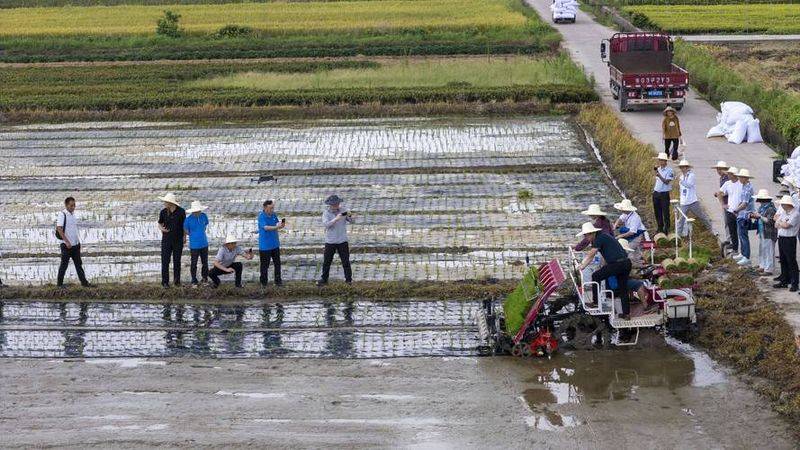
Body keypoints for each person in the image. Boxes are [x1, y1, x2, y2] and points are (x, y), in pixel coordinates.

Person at [577, 222, 632, 320]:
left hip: (617, 264)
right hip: (626, 263)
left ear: (592, 233)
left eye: (586, 235)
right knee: (623, 288)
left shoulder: (599, 238)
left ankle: (595, 302)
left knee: (595, 276)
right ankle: (626, 314)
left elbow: (591, 255)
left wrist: (582, 266)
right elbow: (608, 252)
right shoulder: (604, 236)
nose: (586, 238)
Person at [317, 195, 355, 286]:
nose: (337, 205)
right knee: (327, 261)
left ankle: (348, 280)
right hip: (330, 241)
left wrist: (351, 216)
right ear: (330, 205)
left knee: (345, 261)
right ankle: (324, 279)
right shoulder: (326, 213)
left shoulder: (343, 210)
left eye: (337, 203)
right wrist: (336, 219)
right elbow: (326, 225)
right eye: (334, 204)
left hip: (342, 240)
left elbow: (352, 221)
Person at [56, 196, 92, 288]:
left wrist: (78, 242)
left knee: (78, 265)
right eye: (71, 205)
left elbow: (73, 230)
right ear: (66, 205)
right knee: (64, 265)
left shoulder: (73, 215)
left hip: (75, 245)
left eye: (74, 205)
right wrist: (67, 242)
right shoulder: (62, 214)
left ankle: (84, 283)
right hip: (66, 246)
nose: (73, 207)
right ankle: (59, 285)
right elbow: (59, 229)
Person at [676, 159, 711, 237]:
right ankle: (678, 236)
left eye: (684, 167)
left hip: (692, 201)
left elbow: (689, 185)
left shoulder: (691, 175)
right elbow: (682, 190)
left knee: (702, 216)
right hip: (684, 202)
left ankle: (711, 230)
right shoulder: (681, 177)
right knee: (681, 220)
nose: (682, 169)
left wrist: (681, 181)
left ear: (687, 167)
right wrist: (681, 199)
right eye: (681, 167)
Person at [157, 193, 186, 288]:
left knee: (177, 261)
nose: (164, 203)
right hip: (166, 240)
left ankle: (177, 282)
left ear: (170, 203)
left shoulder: (181, 212)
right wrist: (162, 229)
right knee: (165, 261)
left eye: (165, 202)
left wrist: (185, 237)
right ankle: (165, 282)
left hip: (178, 240)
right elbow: (160, 223)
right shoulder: (163, 212)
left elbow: (184, 226)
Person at [774, 195, 800, 292]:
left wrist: (779, 221)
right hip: (782, 238)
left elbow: (786, 225)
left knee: (791, 261)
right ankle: (784, 280)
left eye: (783, 204)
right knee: (783, 260)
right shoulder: (784, 213)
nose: (782, 206)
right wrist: (780, 222)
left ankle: (795, 283)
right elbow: (776, 225)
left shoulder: (795, 214)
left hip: (790, 239)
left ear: (788, 204)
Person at [258, 200, 285, 287]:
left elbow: (276, 223)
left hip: (275, 244)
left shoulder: (273, 215)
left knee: (277, 264)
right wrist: (276, 227)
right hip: (265, 246)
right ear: (265, 208)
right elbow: (266, 227)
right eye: (270, 208)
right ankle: (263, 283)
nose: (272, 210)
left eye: (273, 208)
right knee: (265, 266)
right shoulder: (261, 216)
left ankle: (278, 282)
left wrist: (280, 225)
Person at [750, 189, 777, 276]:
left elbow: (770, 221)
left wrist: (759, 216)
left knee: (769, 251)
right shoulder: (762, 207)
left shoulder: (770, 209)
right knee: (762, 249)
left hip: (769, 232)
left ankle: (769, 269)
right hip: (762, 231)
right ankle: (763, 265)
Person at [184, 200, 210, 287]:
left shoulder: (204, 216)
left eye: (199, 211)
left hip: (204, 244)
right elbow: (186, 230)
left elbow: (205, 225)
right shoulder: (188, 220)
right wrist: (193, 235)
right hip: (194, 245)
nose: (197, 212)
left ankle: (205, 279)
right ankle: (194, 280)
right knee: (194, 263)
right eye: (196, 211)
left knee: (205, 262)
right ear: (192, 211)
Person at [716, 167, 741, 256]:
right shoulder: (727, 183)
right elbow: (719, 193)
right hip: (730, 211)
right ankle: (735, 249)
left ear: (734, 175)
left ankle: (743, 252)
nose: (728, 175)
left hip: (740, 212)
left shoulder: (741, 184)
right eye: (728, 173)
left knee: (741, 232)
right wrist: (723, 204)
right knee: (732, 231)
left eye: (730, 174)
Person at [733, 169, 755, 266]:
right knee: (741, 235)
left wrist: (736, 210)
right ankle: (742, 253)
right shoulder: (744, 186)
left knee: (743, 236)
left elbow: (745, 203)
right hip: (742, 214)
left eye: (740, 177)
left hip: (744, 215)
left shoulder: (747, 188)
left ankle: (746, 256)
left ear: (745, 178)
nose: (739, 178)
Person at [613, 198, 646, 262]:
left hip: (636, 236)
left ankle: (634, 262)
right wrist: (615, 225)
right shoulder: (626, 213)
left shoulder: (635, 218)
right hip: (630, 233)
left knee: (626, 250)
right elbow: (620, 219)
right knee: (635, 251)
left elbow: (632, 232)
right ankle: (637, 259)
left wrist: (620, 236)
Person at [652, 152, 674, 235]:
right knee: (657, 211)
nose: (660, 162)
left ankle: (666, 228)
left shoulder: (669, 170)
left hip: (664, 194)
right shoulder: (659, 169)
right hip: (656, 193)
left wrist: (659, 175)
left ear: (665, 161)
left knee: (665, 211)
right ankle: (660, 227)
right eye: (659, 160)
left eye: (662, 160)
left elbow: (666, 182)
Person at [712, 161, 731, 243]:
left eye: (720, 169)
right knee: (726, 222)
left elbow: (727, 191)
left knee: (730, 222)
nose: (719, 171)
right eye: (717, 169)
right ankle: (728, 238)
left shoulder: (728, 178)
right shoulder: (721, 178)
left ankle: (731, 239)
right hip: (725, 201)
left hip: (729, 202)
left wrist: (719, 193)